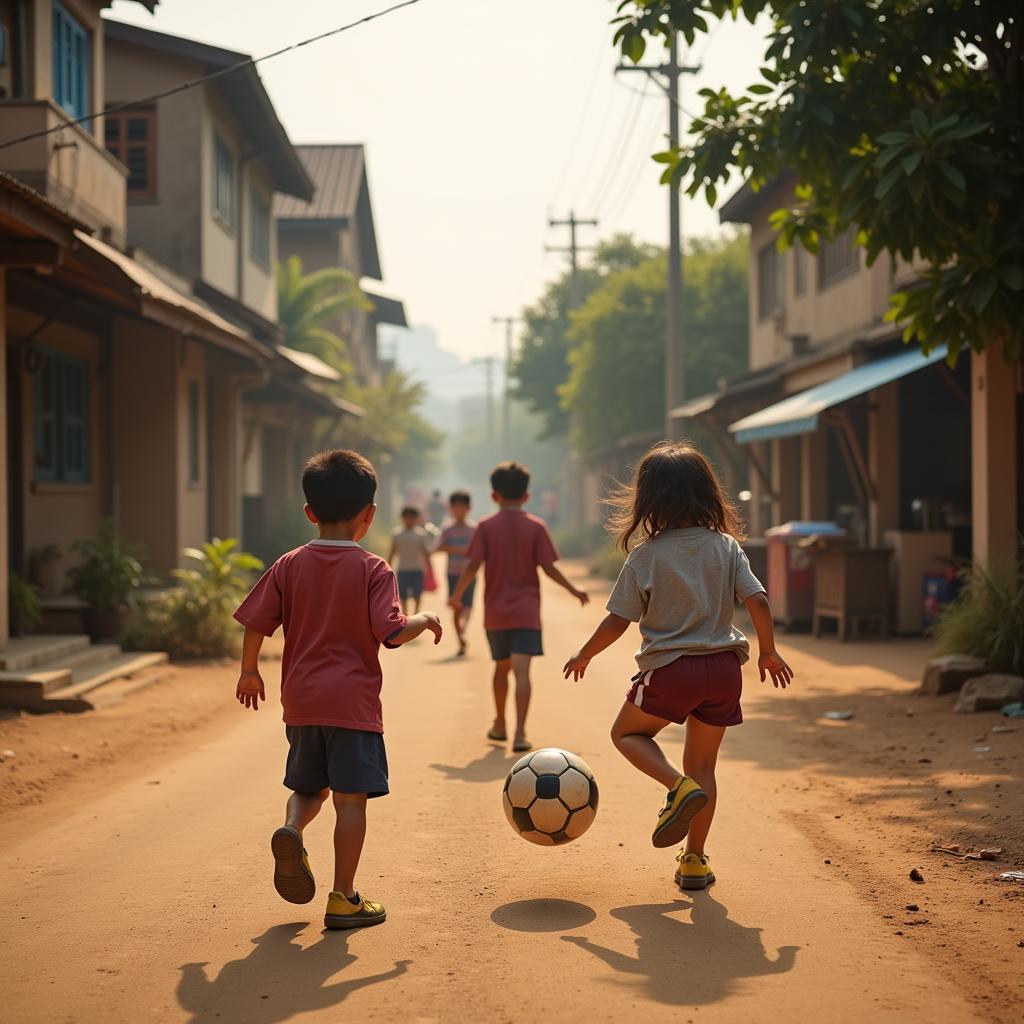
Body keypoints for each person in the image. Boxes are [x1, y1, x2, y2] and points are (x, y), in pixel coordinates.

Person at [562, 441, 793, 891]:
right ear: (707, 492)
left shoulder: (646, 555)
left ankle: (675, 786)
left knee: (627, 734)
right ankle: (694, 861)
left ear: (648, 499)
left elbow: (618, 619)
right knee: (703, 766)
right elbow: (758, 599)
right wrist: (767, 650)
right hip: (725, 670)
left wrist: (586, 653)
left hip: (672, 670)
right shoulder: (725, 546)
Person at [233, 449, 442, 930]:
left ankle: (291, 829)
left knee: (308, 787)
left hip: (301, 702)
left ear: (309, 512)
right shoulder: (374, 570)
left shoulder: (289, 565)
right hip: (352, 706)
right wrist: (423, 619)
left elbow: (256, 621)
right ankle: (343, 897)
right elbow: (389, 632)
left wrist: (249, 671)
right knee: (350, 800)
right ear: (369, 516)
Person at [450, 461, 588, 752]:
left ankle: (500, 723)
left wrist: (457, 595)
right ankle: (521, 733)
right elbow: (549, 568)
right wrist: (573, 589)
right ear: (526, 496)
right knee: (522, 672)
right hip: (526, 613)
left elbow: (472, 565)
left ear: (494, 496)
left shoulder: (486, 526)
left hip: (496, 613)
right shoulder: (536, 527)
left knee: (501, 669)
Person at [437, 490, 477, 656]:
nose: (459, 511)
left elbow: (480, 551)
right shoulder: (447, 528)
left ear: (469, 508)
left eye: (462, 507)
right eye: (456, 507)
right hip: (453, 573)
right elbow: (440, 547)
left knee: (468, 605)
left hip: (470, 573)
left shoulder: (475, 529)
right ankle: (460, 636)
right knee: (456, 605)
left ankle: (462, 630)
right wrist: (461, 550)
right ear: (451, 509)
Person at [387, 506, 433, 614]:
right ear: (402, 518)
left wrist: (430, 569)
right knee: (403, 594)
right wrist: (387, 568)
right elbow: (392, 552)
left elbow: (425, 552)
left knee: (418, 593)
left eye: (412, 517)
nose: (409, 520)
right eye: (407, 517)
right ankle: (406, 614)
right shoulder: (396, 534)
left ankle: (416, 612)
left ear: (416, 518)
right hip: (403, 569)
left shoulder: (421, 535)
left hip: (417, 569)